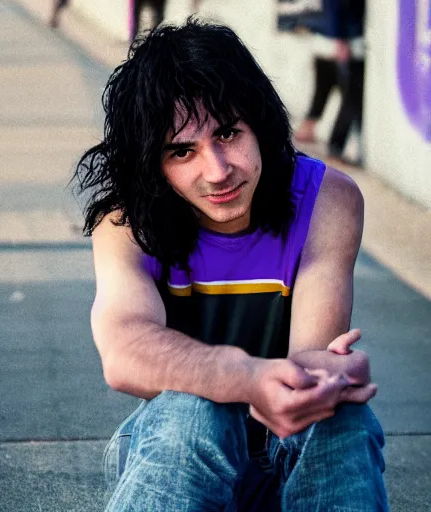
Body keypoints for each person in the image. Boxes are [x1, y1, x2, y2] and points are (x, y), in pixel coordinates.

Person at [75, 18, 388, 511]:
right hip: (177, 459)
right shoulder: (127, 223)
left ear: (258, 125)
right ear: (152, 164)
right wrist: (244, 377)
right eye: (182, 151)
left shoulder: (325, 200)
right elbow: (124, 347)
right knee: (195, 410)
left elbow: (306, 366)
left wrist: (331, 376)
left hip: (288, 460)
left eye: (227, 133)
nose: (218, 171)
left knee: (338, 416)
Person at [294, 0, 366, 165]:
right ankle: (335, 147)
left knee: (324, 88)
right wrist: (340, 40)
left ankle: (309, 127)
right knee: (351, 97)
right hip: (345, 42)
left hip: (328, 38)